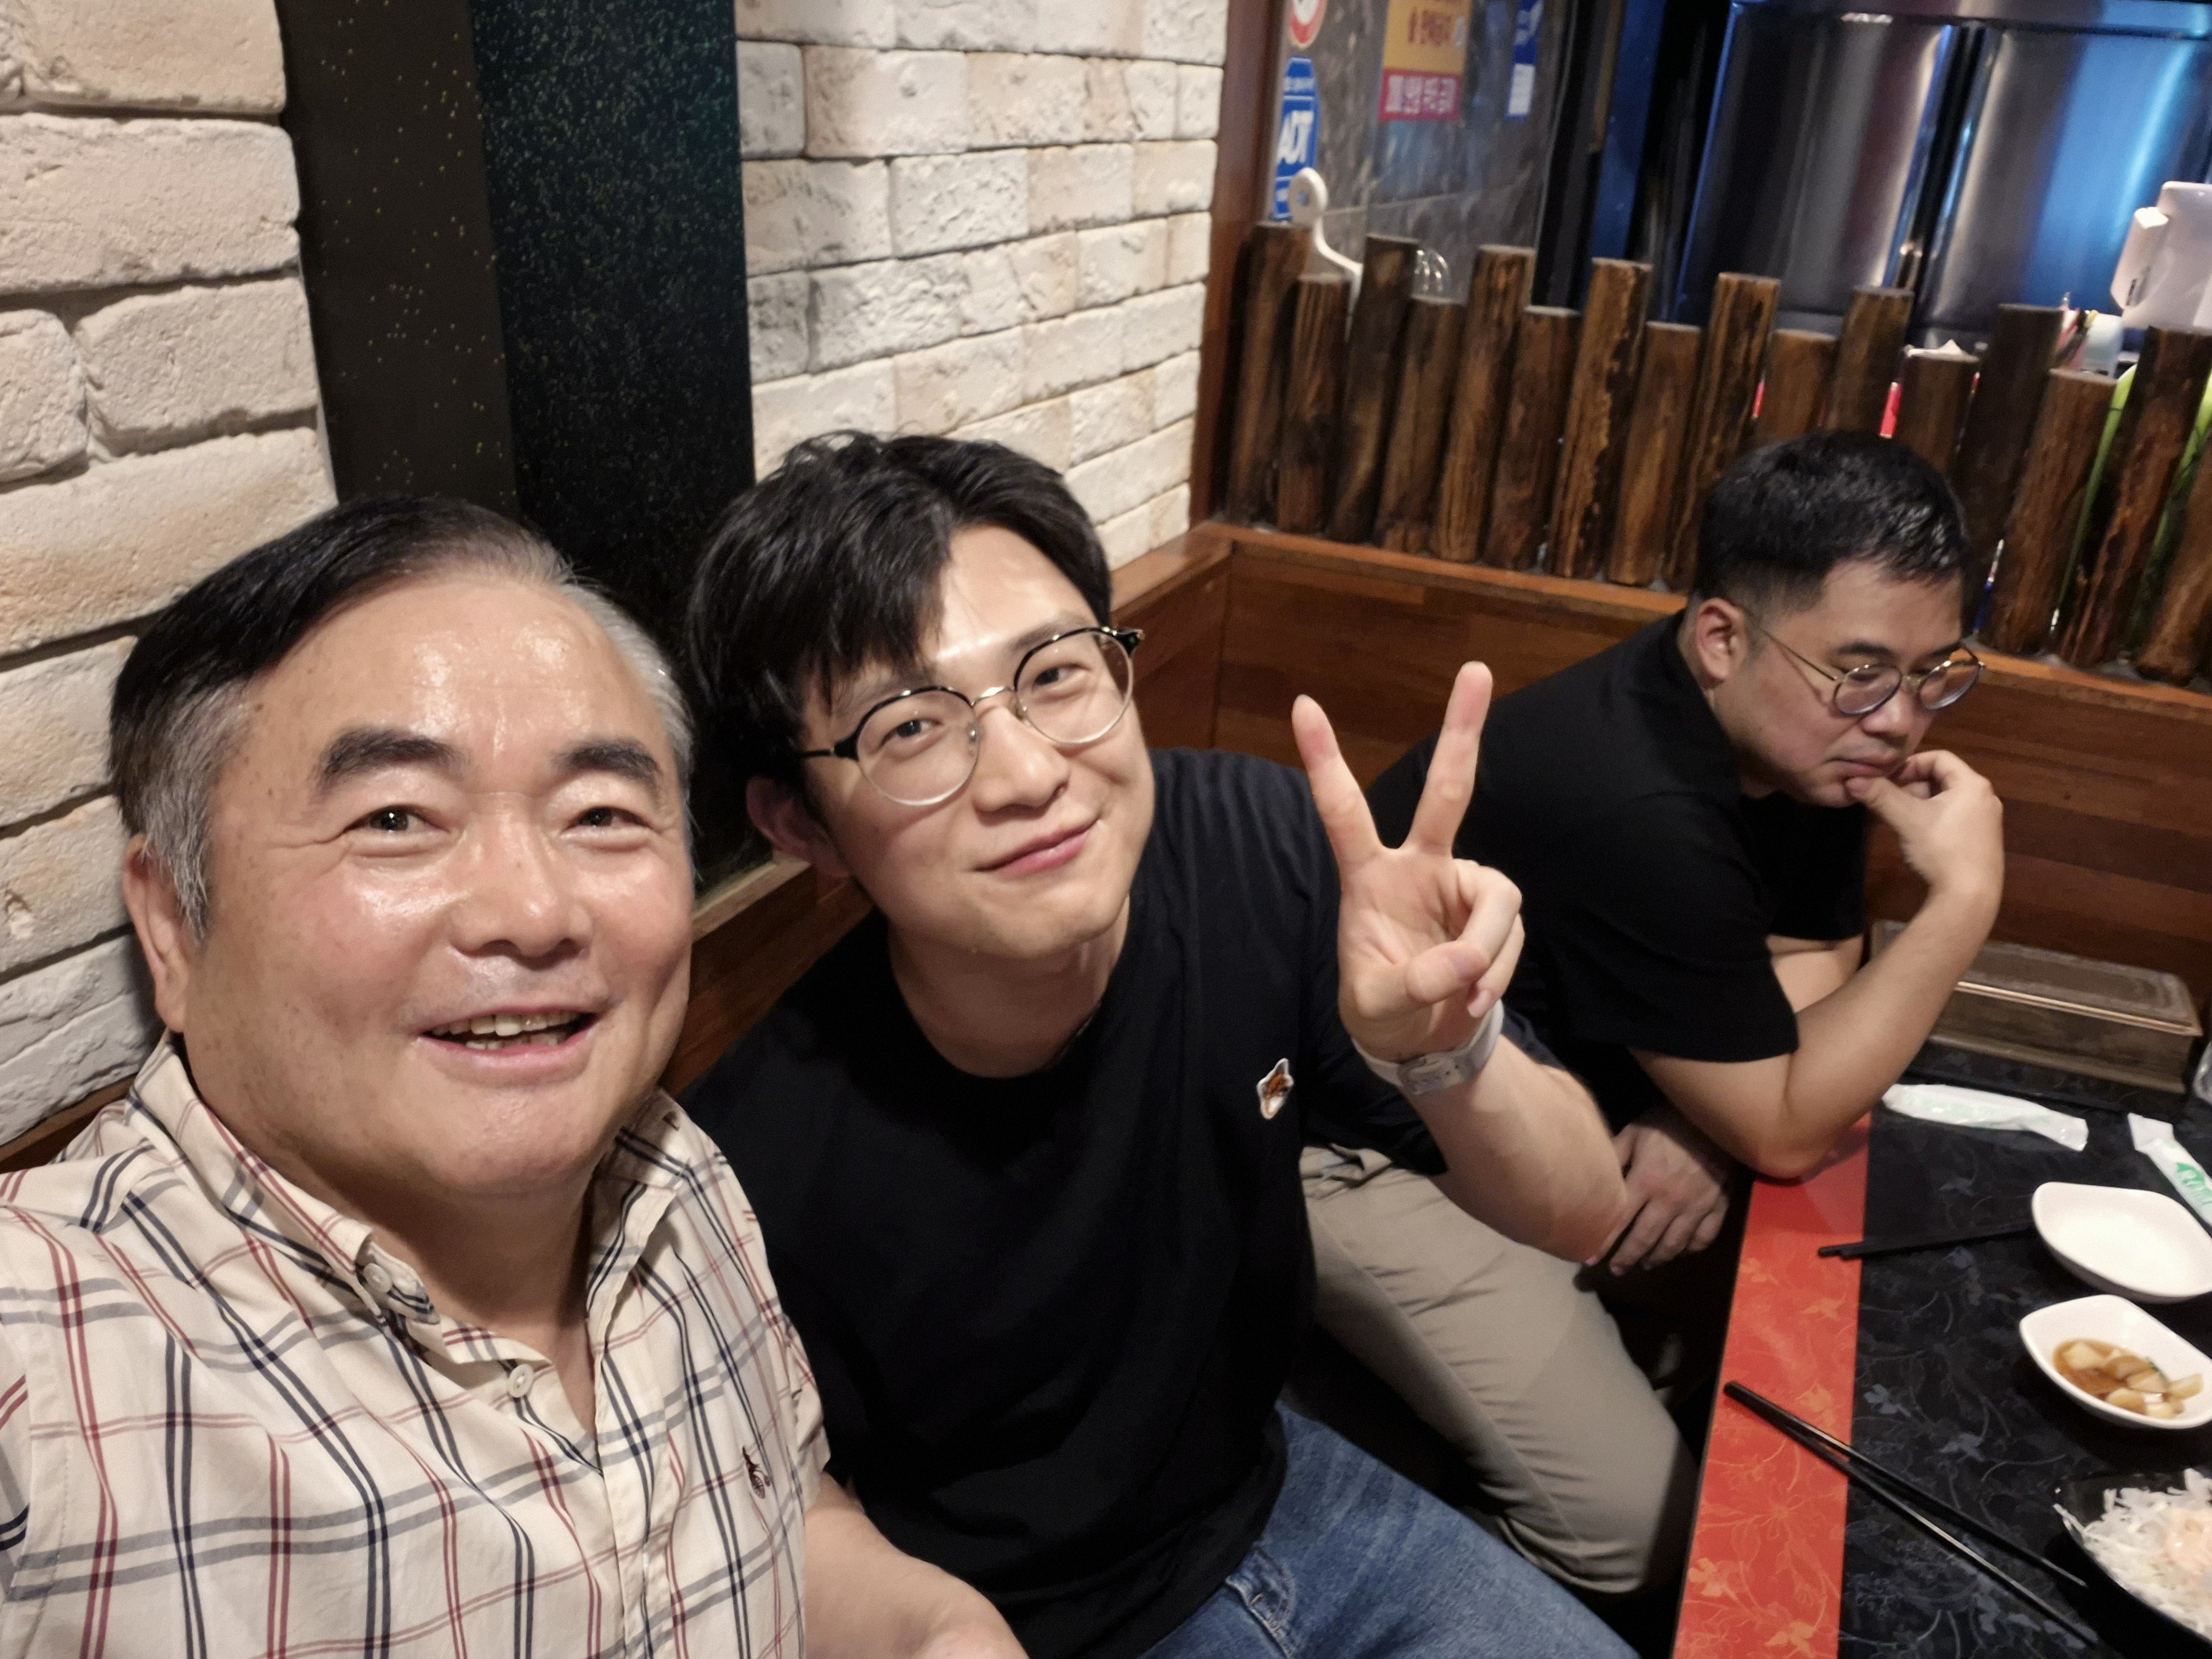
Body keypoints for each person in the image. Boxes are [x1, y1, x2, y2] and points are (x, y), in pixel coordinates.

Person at [0, 498, 1014, 1657]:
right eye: (395, 818)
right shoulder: (45, 1355)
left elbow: (783, 1520)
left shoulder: (671, 1172)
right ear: (174, 926)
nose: (534, 911)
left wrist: (936, 1627)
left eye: (601, 813)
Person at [680, 432, 1635, 1659]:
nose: (1028, 773)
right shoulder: (759, 1156)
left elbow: (1585, 1213)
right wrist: (942, 1631)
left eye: (1054, 674)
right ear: (800, 825)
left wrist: (1448, 1053)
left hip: (1286, 1495)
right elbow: (787, 1499)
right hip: (1036, 1622)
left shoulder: (1254, 847)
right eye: (909, 729)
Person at [1323, 432, 2005, 1606]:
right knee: (1650, 1541)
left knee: (1776, 1353)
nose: (1900, 720)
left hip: (1533, 1098)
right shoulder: (1637, 801)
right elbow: (1789, 1126)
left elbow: (1808, 956)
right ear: (1724, 636)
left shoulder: (1798, 732)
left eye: (1933, 671)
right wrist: (1963, 904)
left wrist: (1710, 1114)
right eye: (1863, 672)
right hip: (1359, 1136)